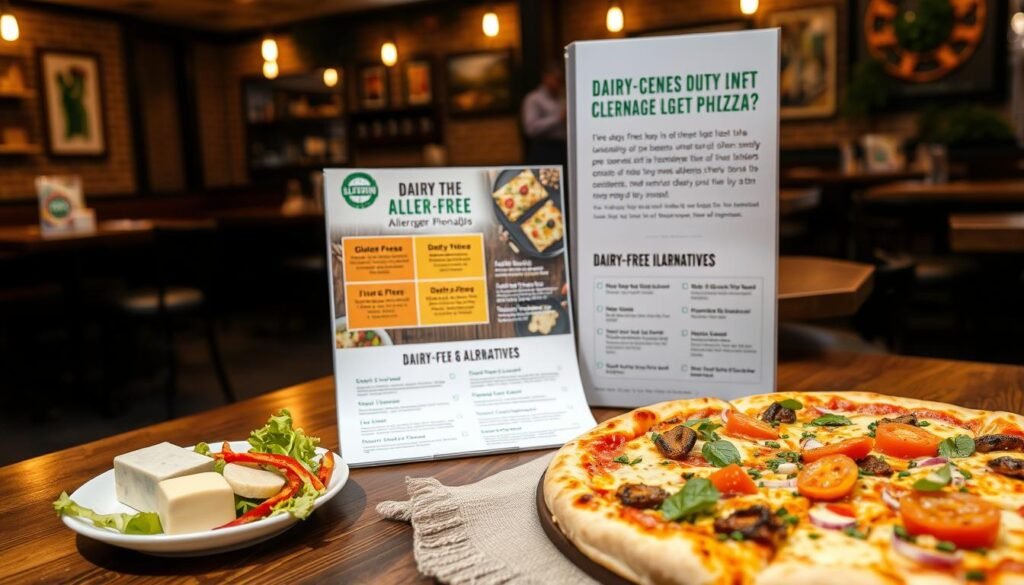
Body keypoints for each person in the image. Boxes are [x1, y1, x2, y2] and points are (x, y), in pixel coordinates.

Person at [521, 62, 567, 167]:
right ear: (546, 77)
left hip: (563, 149)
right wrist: (559, 118)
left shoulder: (563, 97)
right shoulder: (533, 99)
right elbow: (530, 128)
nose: (558, 83)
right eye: (556, 79)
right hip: (544, 150)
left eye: (560, 79)